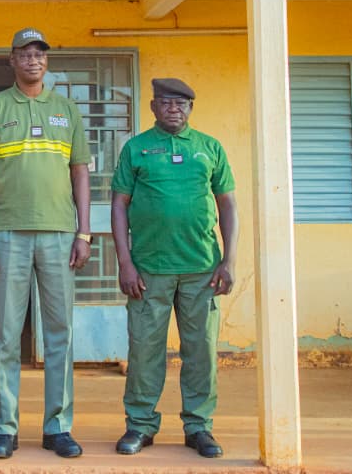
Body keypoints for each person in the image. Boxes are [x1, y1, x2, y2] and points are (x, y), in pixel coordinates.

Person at [0, 28, 93, 460]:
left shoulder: (66, 110)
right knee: (6, 336)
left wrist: (84, 230)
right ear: (12, 60)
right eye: (25, 53)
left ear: (47, 61)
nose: (33, 60)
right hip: (8, 234)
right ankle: (5, 429)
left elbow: (80, 172)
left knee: (59, 332)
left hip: (61, 233)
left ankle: (58, 427)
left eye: (39, 53)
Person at [110, 77, 238, 460]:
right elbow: (119, 206)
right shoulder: (136, 149)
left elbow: (227, 205)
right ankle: (140, 425)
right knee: (145, 350)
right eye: (166, 102)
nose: (173, 109)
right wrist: (126, 262)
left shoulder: (209, 148)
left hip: (202, 269)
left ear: (190, 109)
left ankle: (199, 427)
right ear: (153, 107)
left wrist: (228, 260)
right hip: (149, 271)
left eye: (181, 104)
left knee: (200, 351)